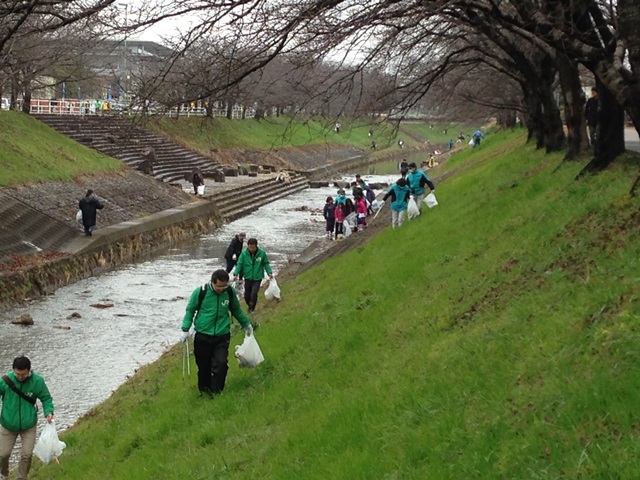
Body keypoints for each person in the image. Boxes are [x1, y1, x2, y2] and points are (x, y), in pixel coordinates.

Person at [181, 270, 253, 397]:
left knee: (221, 364)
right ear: (212, 282)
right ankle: (204, 392)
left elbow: (236, 309)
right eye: (219, 286)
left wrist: (246, 324)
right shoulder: (201, 292)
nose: (222, 289)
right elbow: (190, 310)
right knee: (204, 367)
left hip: (222, 334)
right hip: (203, 335)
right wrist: (185, 329)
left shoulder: (229, 292)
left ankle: (216, 392)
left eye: (224, 286)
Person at [0, 356, 54, 480]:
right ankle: (3, 475)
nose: (20, 377)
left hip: (28, 425)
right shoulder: (5, 381)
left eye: (23, 374)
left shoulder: (37, 381)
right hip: (8, 425)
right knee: (3, 454)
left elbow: (46, 398)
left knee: (27, 455)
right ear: (13, 370)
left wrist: (49, 412)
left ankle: (21, 477)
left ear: (29, 370)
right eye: (17, 374)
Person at [232, 238, 273, 313]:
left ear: (256, 246)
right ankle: (250, 305)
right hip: (247, 276)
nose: (251, 249)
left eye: (253, 247)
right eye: (249, 247)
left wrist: (269, 272)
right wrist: (235, 273)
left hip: (258, 277)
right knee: (247, 295)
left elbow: (266, 263)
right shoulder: (244, 254)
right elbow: (239, 264)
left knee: (254, 293)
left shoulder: (262, 253)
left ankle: (251, 308)